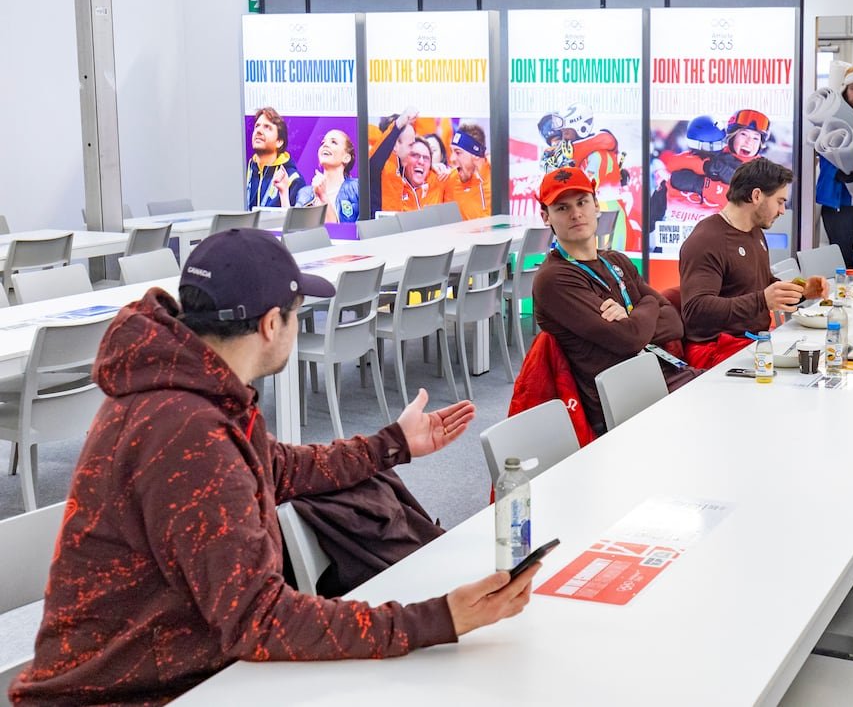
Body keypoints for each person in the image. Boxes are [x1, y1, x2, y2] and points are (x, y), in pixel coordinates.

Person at [10, 229, 539, 706]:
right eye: (296, 312)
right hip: (135, 694)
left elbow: (279, 467)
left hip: (181, 669)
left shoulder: (190, 391)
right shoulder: (186, 429)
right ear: (270, 325)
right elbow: (259, 621)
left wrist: (392, 443)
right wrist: (438, 619)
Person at [532, 167, 692, 437]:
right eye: (562, 208)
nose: (575, 213)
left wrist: (635, 317)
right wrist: (650, 305)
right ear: (546, 216)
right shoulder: (554, 279)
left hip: (666, 377)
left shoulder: (616, 260)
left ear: (596, 205)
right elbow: (628, 339)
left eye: (582, 202)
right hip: (624, 405)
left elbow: (675, 324)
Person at [678, 157, 825, 368]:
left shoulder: (754, 231)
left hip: (753, 342)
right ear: (756, 196)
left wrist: (801, 291)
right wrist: (762, 301)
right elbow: (695, 310)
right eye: (780, 201)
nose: (783, 210)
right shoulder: (706, 240)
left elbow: (757, 285)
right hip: (716, 351)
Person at [816, 65, 853, 269]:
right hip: (837, 202)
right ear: (845, 90)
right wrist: (840, 170)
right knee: (841, 257)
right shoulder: (831, 117)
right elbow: (823, 147)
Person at [290, 129, 360, 223]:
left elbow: (339, 232)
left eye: (334, 142)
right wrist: (283, 192)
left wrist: (323, 196)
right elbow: (295, 229)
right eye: (323, 143)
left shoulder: (357, 188)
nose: (325, 145)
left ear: (346, 158)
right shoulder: (304, 193)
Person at [245, 106, 303, 209]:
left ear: (279, 142)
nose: (259, 131)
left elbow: (297, 223)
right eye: (257, 126)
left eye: (267, 127)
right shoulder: (243, 173)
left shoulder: (293, 179)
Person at [368, 108, 419, 214]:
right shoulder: (380, 167)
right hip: (380, 228)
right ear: (395, 145)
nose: (414, 150)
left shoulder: (403, 169)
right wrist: (398, 124)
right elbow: (375, 161)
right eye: (411, 145)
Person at [441, 123, 492, 220]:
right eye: (452, 152)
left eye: (458, 152)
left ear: (476, 155)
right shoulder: (448, 180)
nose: (452, 158)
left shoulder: (497, 177)